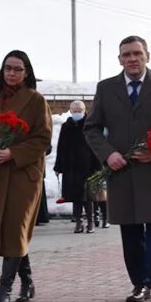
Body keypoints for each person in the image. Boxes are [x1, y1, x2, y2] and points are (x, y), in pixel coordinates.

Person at [84, 35, 151, 302]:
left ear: (147, 55)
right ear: (119, 59)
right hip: (122, 172)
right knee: (130, 231)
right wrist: (108, 155)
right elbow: (92, 127)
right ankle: (139, 284)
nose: (132, 59)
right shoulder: (106, 88)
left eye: (137, 53)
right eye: (126, 55)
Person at [0, 50, 52, 302]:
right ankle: (27, 280)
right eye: (8, 68)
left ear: (26, 72)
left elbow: (43, 140)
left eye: (18, 69)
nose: (12, 73)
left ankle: (3, 289)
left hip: (23, 175)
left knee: (16, 226)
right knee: (7, 229)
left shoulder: (36, 101)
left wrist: (13, 153)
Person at [55, 100, 99, 233]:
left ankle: (90, 222)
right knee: (75, 196)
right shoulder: (66, 126)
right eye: (74, 111)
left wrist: (98, 166)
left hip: (87, 166)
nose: (76, 113)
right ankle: (78, 222)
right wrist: (58, 166)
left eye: (79, 111)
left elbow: (96, 147)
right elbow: (60, 147)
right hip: (71, 167)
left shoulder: (90, 125)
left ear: (84, 111)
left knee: (88, 196)